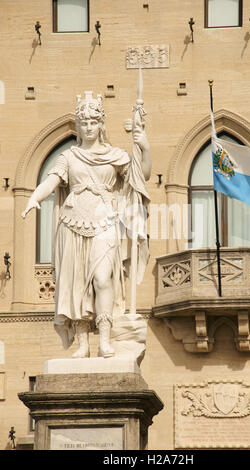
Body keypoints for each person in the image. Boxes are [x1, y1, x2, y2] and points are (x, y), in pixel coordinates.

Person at [22, 91, 151, 359]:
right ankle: (83, 344)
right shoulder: (68, 157)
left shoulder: (116, 155)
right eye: (84, 123)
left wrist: (144, 145)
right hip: (72, 223)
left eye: (94, 122)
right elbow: (52, 181)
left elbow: (142, 176)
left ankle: (104, 340)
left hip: (105, 222)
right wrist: (35, 197)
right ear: (78, 127)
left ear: (102, 124)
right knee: (77, 284)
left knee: (103, 279)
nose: (89, 127)